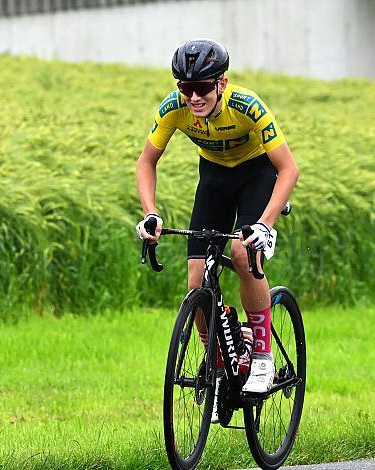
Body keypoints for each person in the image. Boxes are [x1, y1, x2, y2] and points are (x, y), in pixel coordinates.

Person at [135, 39, 299, 408]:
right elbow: (146, 162)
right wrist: (150, 212)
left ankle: (262, 356)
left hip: (258, 176)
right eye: (185, 88)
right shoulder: (174, 107)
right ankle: (218, 367)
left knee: (242, 254)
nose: (193, 97)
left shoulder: (247, 106)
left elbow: (289, 169)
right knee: (196, 283)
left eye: (202, 88)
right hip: (215, 178)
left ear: (221, 83)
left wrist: (266, 224)